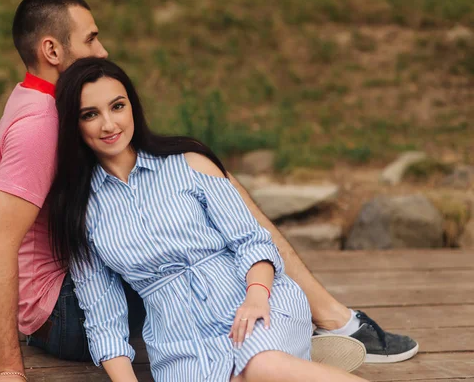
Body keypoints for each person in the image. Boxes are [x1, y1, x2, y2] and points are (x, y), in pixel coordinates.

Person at [0, 0, 417, 381]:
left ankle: (284, 330)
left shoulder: (28, 101)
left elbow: (2, 207)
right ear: (52, 50)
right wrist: (9, 370)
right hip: (65, 316)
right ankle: (319, 324)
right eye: (92, 39)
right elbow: (0, 243)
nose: (103, 50)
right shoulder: (42, 125)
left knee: (197, 176)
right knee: (204, 202)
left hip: (47, 302)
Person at [47, 56, 367, 382]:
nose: (109, 124)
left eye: (117, 106)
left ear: (133, 107)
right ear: (74, 124)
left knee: (260, 367)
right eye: (90, 114)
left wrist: (257, 296)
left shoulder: (189, 162)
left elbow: (251, 241)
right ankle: (302, 367)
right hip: (180, 343)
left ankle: (285, 363)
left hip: (251, 304)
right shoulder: (80, 212)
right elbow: (104, 315)